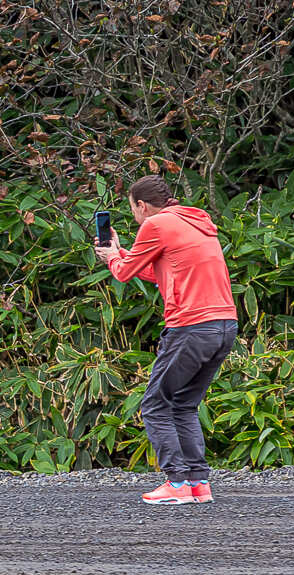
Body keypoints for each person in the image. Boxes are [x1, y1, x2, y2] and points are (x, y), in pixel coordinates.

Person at [93, 175, 237, 506]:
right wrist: (121, 253)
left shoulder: (155, 225)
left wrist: (113, 259)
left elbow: (125, 273)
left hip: (191, 327)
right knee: (184, 403)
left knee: (155, 404)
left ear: (142, 205)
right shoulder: (195, 221)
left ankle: (177, 482)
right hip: (224, 325)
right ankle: (198, 484)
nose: (134, 216)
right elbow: (162, 270)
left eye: (132, 209)